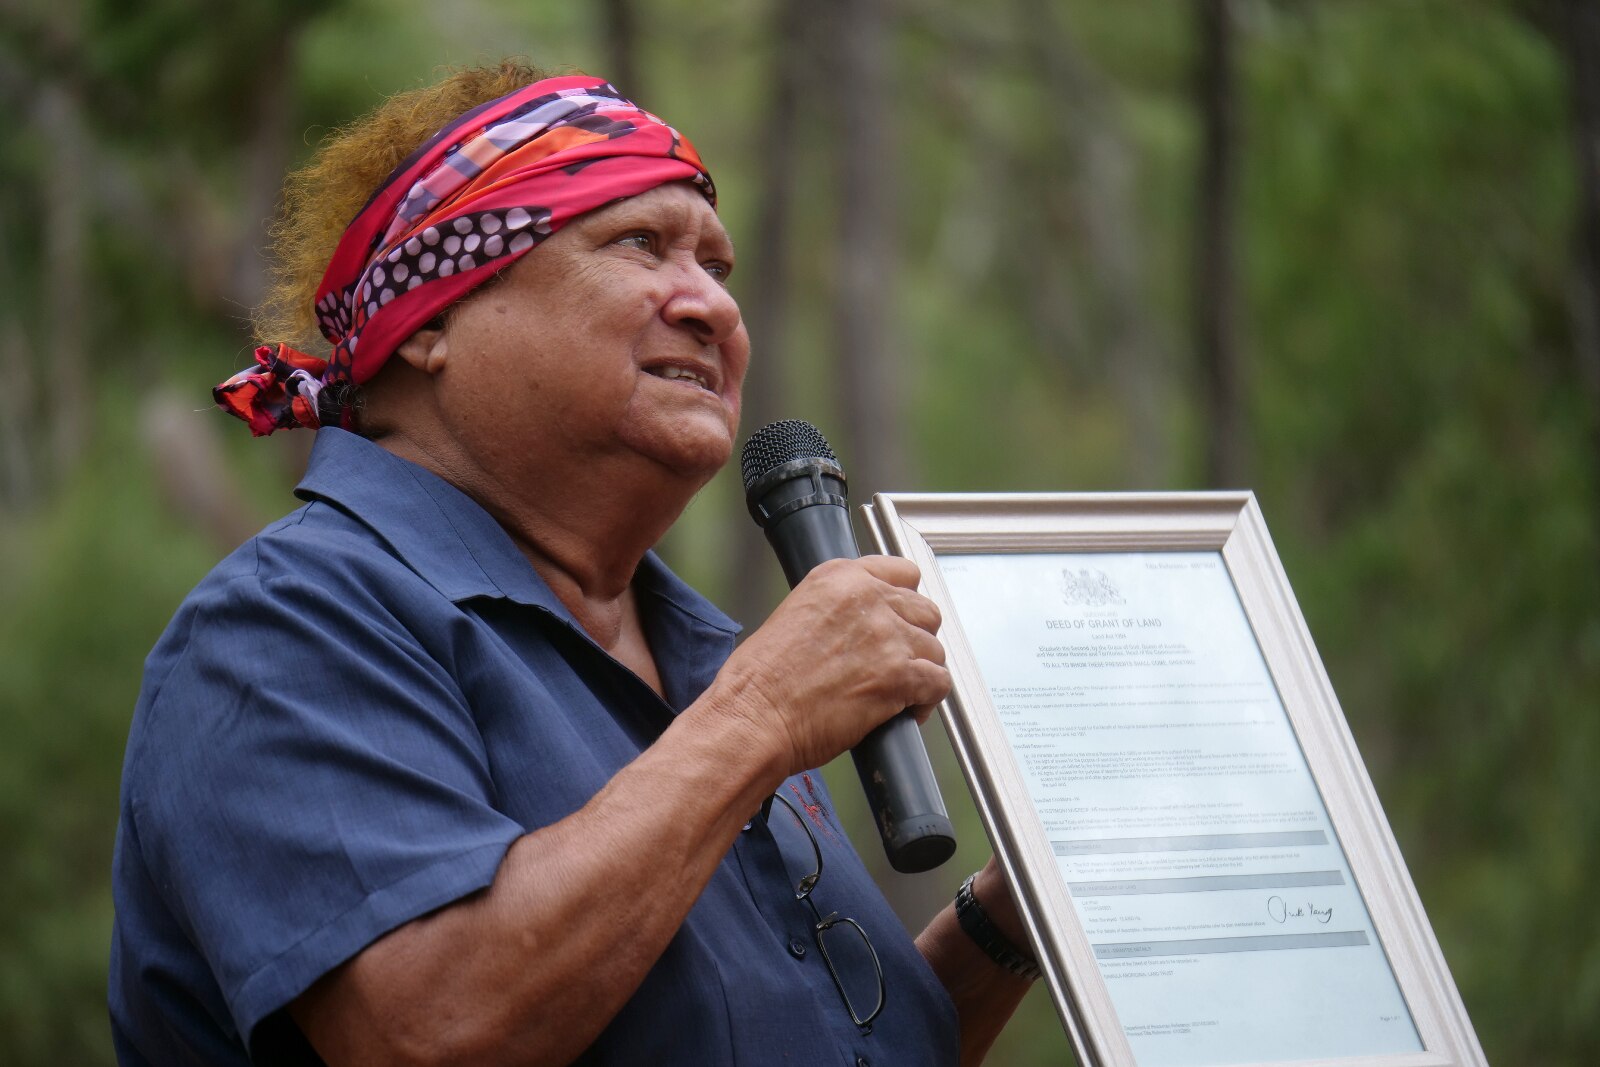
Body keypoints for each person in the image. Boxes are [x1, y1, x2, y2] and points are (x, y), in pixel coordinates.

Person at [110, 61, 1038, 1066]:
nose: (712, 309)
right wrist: (759, 718)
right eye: (638, 244)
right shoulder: (280, 627)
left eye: (717, 269)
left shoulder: (705, 660)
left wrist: (1006, 924)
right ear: (429, 319)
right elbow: (428, 1033)